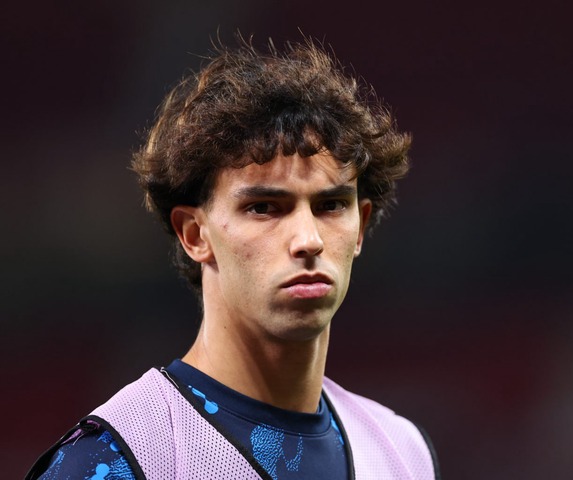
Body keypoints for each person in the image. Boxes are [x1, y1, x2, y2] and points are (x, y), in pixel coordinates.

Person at [26, 34, 439, 480]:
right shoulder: (114, 460)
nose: (308, 239)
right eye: (263, 207)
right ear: (194, 233)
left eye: (330, 205)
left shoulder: (402, 452)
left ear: (360, 224)